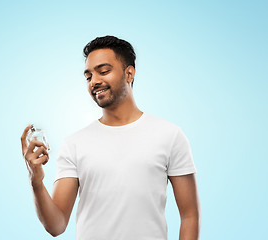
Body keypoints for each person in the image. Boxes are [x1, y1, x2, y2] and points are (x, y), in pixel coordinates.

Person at [20, 35, 200, 240]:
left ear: (129, 73)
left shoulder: (170, 135)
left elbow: (190, 216)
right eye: (88, 77)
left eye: (103, 71)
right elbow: (56, 225)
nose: (94, 81)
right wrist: (36, 180)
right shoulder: (74, 144)